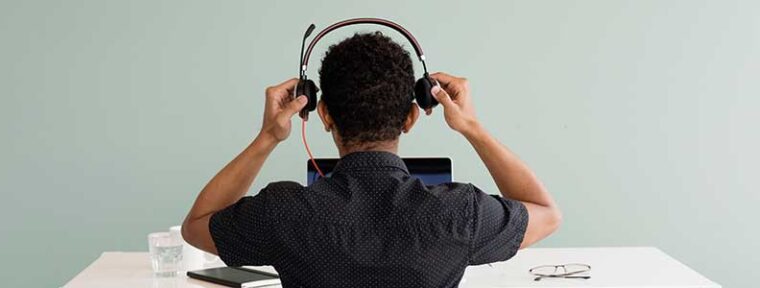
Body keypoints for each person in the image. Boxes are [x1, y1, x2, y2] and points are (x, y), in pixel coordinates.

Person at [182, 32, 561, 288]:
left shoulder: (283, 211)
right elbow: (546, 212)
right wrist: (472, 127)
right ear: (412, 117)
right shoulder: (461, 213)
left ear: (324, 114)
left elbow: (196, 226)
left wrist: (267, 138)